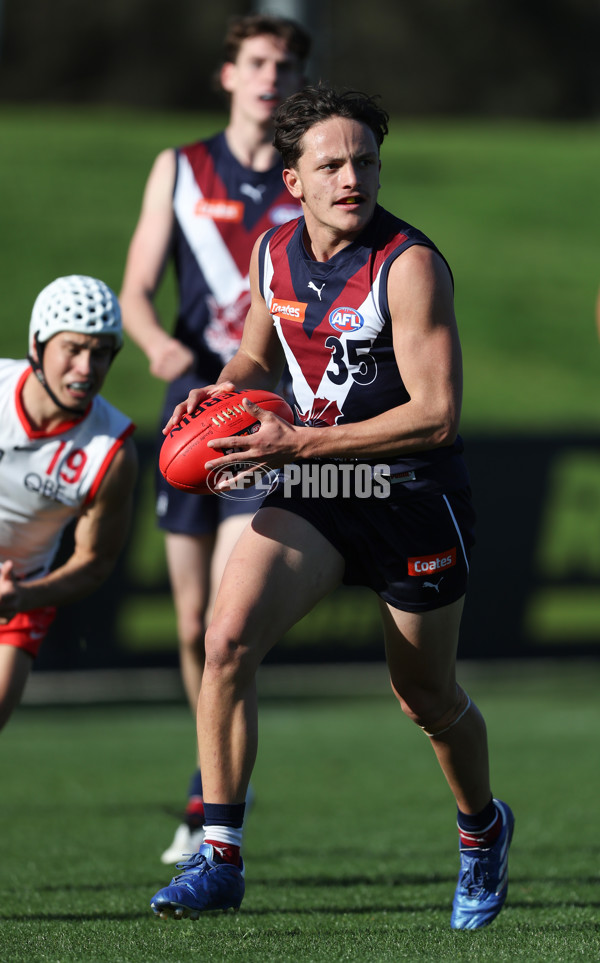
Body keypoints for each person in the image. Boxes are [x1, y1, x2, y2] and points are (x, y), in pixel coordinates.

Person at [150, 82, 515, 930]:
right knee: (225, 638)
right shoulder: (273, 253)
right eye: (333, 164)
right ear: (294, 181)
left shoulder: (410, 264)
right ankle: (219, 855)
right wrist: (219, 394)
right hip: (318, 487)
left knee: (426, 698)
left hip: (411, 498)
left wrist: (299, 446)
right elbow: (253, 357)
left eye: (366, 161)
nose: (353, 177)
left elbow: (436, 414)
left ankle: (481, 830)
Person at [119, 14, 311, 864]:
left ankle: (211, 804)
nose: (272, 77)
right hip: (190, 413)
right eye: (259, 62)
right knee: (193, 621)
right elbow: (137, 287)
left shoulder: (312, 176)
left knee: (229, 626)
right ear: (228, 74)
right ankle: (216, 780)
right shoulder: (181, 168)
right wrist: (158, 342)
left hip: (263, 422)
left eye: (286, 65)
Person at [0, 275, 137, 732]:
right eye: (73, 349)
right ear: (37, 347)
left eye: (100, 353)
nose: (86, 367)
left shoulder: (111, 451)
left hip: (20, 592)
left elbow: (95, 563)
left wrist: (21, 597)